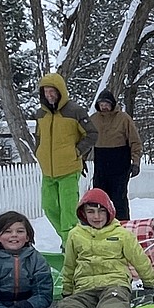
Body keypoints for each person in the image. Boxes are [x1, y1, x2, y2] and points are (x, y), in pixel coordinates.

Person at [55, 188, 154, 308]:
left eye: (101, 212)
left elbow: (140, 261)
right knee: (70, 306)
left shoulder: (122, 235)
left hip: (114, 283)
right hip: (84, 286)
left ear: (109, 212)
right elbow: (70, 265)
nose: (96, 217)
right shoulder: (75, 235)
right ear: (83, 213)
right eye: (90, 212)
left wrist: (151, 284)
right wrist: (67, 291)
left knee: (114, 301)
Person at [34, 72, 99, 246]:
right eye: (46, 92)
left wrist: (77, 152)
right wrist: (39, 151)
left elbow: (92, 134)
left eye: (52, 91)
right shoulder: (40, 114)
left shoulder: (75, 111)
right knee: (49, 208)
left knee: (68, 211)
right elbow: (38, 137)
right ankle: (68, 238)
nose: (49, 95)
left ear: (60, 91)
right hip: (48, 171)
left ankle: (69, 245)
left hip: (69, 170)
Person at [90, 88, 143, 221]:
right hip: (101, 163)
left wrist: (135, 162)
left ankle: (123, 225)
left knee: (119, 198)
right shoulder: (94, 120)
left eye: (107, 104)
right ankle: (101, 224)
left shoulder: (124, 119)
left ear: (112, 104)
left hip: (120, 163)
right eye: (102, 104)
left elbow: (135, 141)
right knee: (99, 197)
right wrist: (81, 160)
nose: (104, 107)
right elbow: (86, 140)